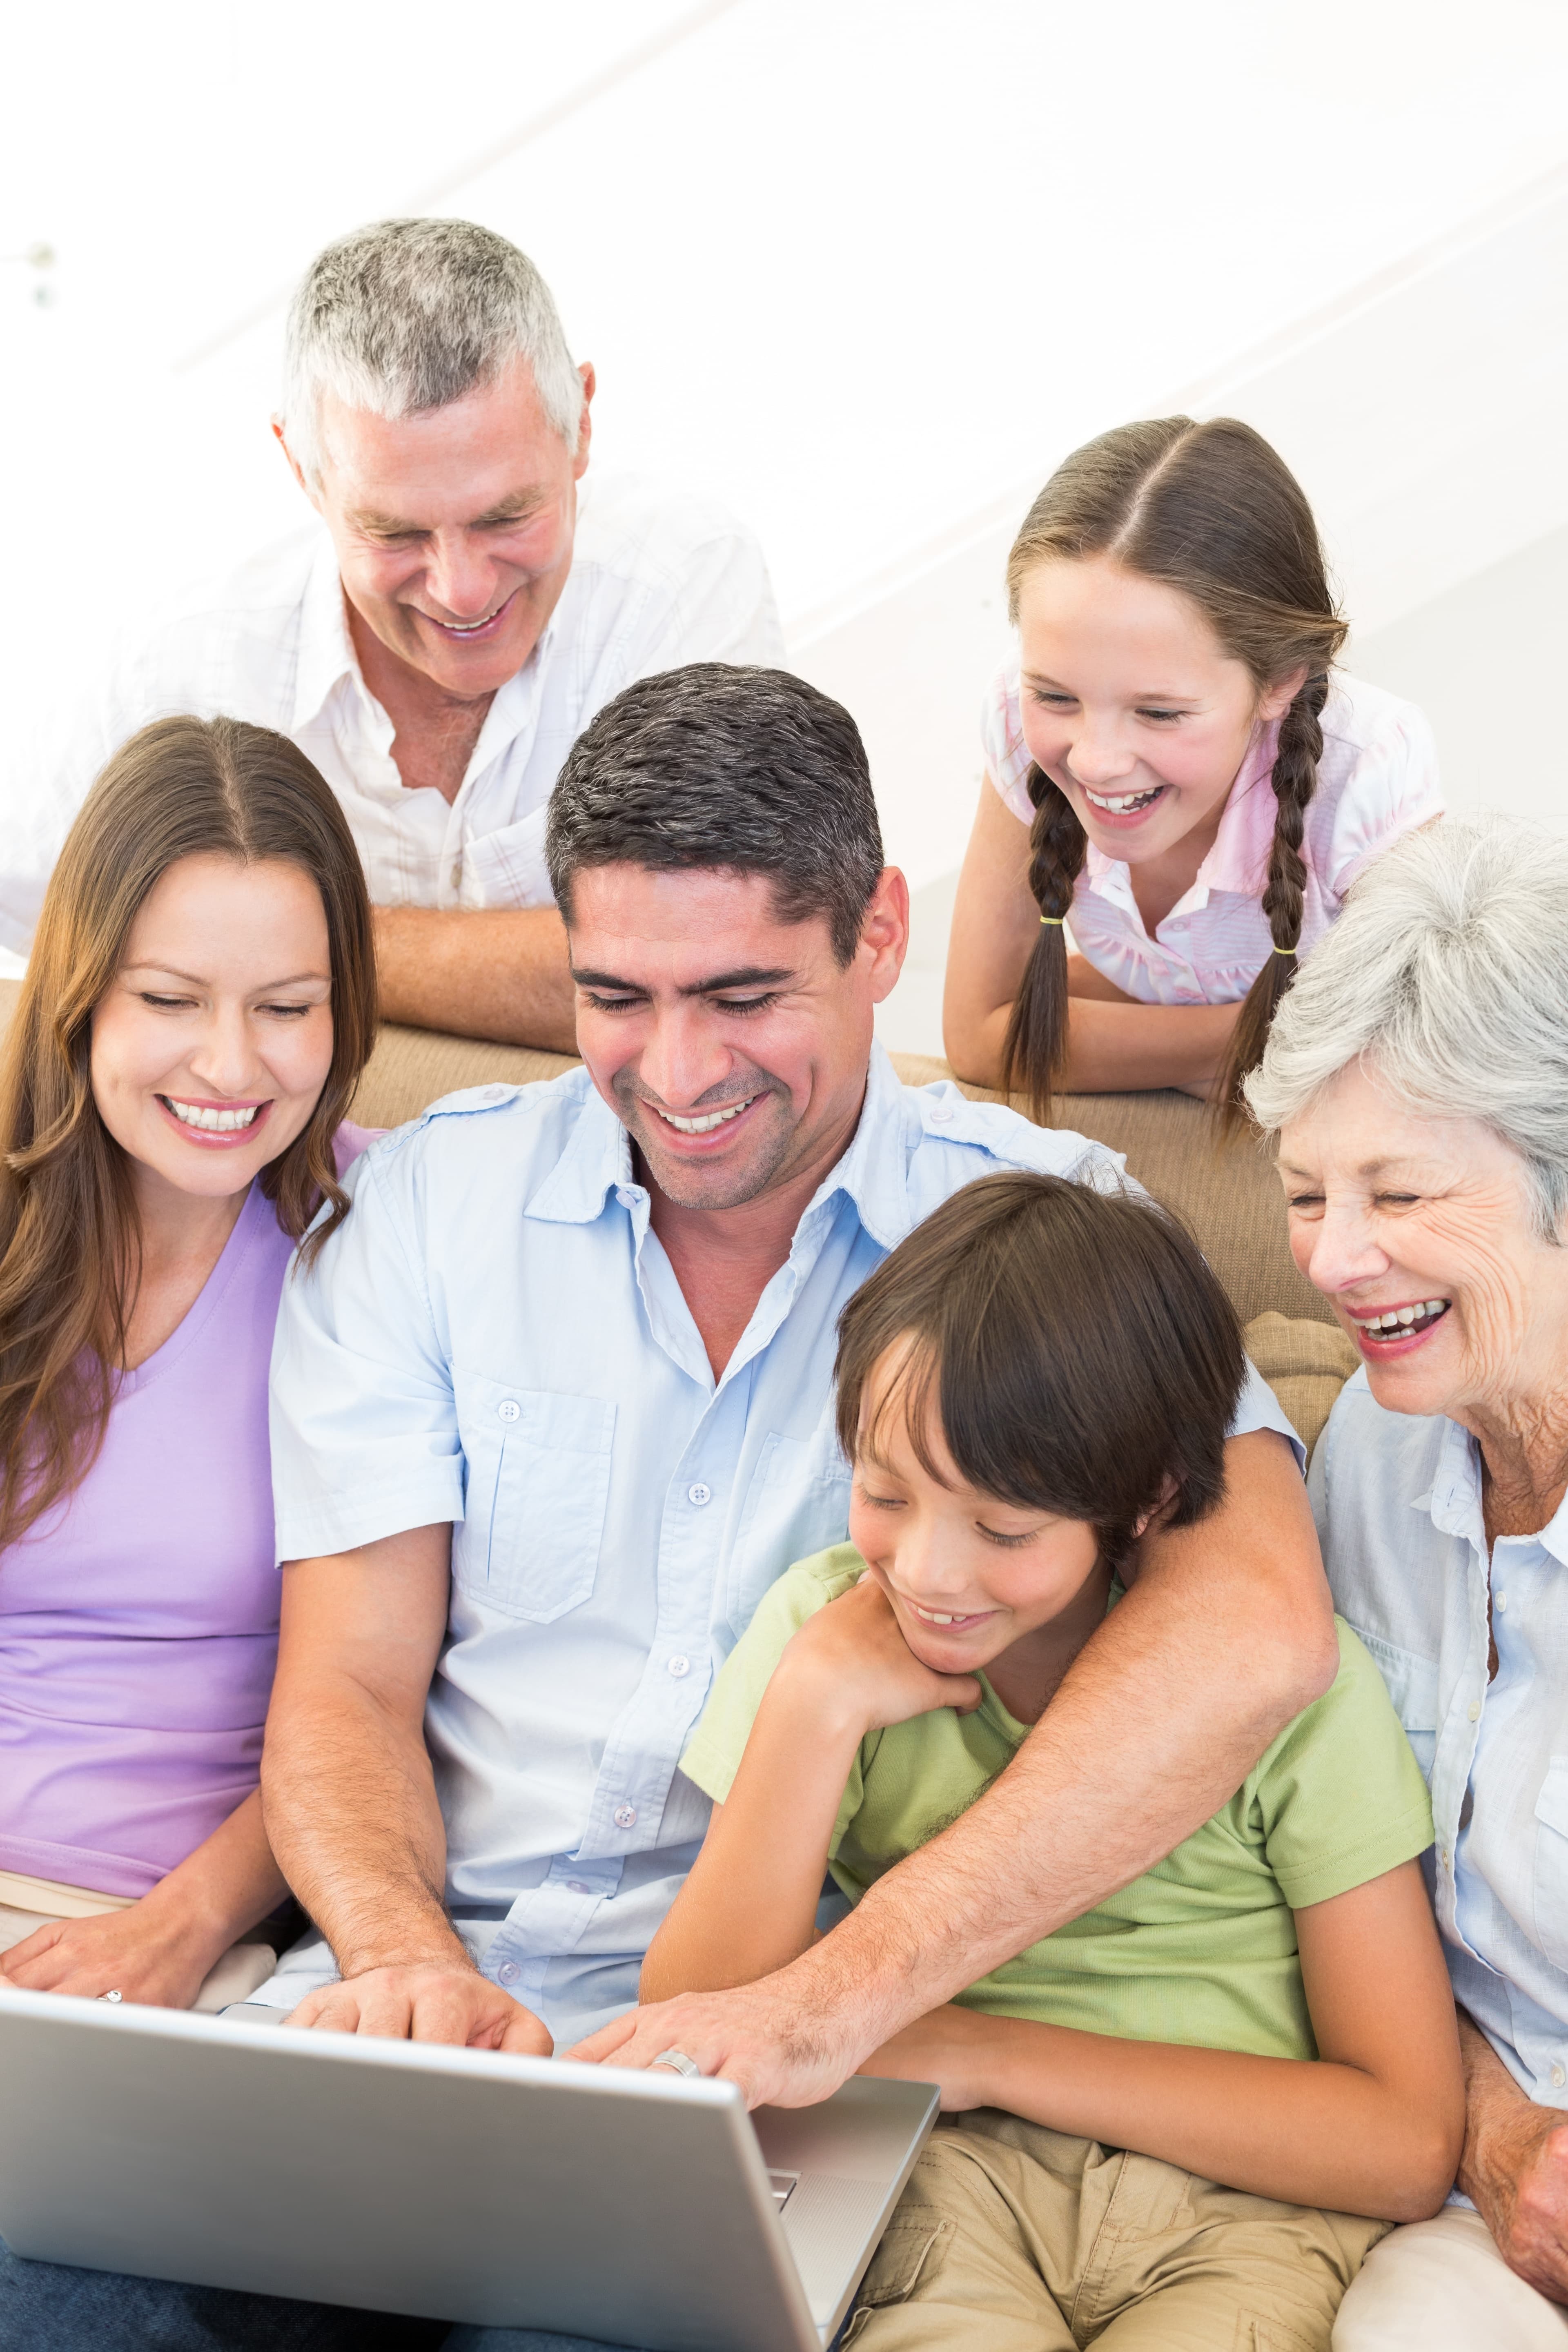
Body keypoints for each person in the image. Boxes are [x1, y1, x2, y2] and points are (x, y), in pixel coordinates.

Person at [2, 663, 1322, 2352]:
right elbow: (345, 1684)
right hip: (407, 2013)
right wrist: (402, 1960)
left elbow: (1256, 1628)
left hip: (756, 2077)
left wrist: (830, 2005)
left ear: (879, 934)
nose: (678, 1070)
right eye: (615, 997)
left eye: (744, 994)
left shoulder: (1055, 1230)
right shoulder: (433, 1208)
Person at [636, 1170, 1461, 2348]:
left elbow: (1405, 2145)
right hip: (944, 2183)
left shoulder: (1293, 1695)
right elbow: (696, 2038)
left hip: (1247, 2210)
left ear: (1146, 1500)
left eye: (1004, 1528)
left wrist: (979, 2052)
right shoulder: (828, 1640)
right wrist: (814, 1708)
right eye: (884, 1494)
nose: (928, 1573)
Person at [0, 716, 443, 2351]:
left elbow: (379, 1700)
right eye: (172, 1000)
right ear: (82, 996)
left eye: (287, 1007)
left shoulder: (386, 1244)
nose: (230, 1066)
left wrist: (182, 1930)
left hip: (181, 1936)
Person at [0, 217, 782, 1050]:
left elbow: (710, 964)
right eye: (396, 533)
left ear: (582, 424)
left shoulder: (678, 583)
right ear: (303, 470)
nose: (462, 590)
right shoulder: (178, 668)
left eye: (507, 516)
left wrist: (277, 945)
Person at [1244, 816, 1568, 2350]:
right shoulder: (1373, 1453)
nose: (1331, 1261)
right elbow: (1331, 1894)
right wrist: (1501, 2140)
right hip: (1477, 2168)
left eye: (1400, 1194)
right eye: (1308, 1195)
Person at [940, 415, 1441, 1121]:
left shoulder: (1368, 768)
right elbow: (980, 1033)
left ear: (1281, 681)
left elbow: (1409, 1069)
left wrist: (1144, 1044)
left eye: (1159, 712)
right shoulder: (1013, 711)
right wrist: (1246, 1045)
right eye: (1056, 697)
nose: (1097, 761)